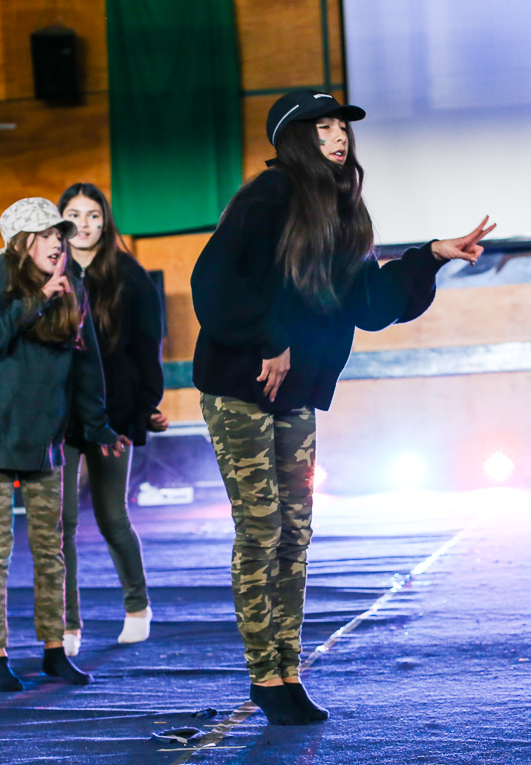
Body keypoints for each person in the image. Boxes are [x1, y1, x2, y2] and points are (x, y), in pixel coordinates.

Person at [191, 89, 494, 724]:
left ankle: (288, 669)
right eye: (323, 127)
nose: (337, 137)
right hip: (241, 384)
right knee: (262, 528)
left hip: (297, 391)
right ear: (295, 139)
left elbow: (368, 304)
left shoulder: (343, 208)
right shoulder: (268, 195)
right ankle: (264, 675)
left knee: (295, 532)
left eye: (341, 128)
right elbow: (214, 281)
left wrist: (431, 257)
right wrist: (268, 339)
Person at [0, 197, 127, 693]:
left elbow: (86, 364)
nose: (58, 241)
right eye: (48, 234)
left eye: (61, 234)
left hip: (45, 443)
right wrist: (37, 298)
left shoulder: (72, 286)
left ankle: (54, 650)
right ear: (21, 242)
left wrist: (98, 426)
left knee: (50, 552)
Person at [58, 182, 165, 656]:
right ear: (61, 220)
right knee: (59, 523)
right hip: (60, 414)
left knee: (110, 515)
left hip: (113, 411)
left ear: (105, 221)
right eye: (74, 215)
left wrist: (142, 410)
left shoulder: (129, 274)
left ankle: (137, 607)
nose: (84, 225)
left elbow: (148, 347)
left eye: (94, 215)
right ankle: (68, 624)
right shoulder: (48, 269)